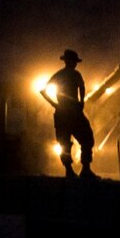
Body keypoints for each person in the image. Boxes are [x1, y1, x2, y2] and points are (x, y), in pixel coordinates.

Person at [41, 49, 98, 179]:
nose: (75, 64)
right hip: (73, 113)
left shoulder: (59, 75)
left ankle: (71, 170)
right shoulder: (76, 75)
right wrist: (81, 102)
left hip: (62, 113)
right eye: (74, 61)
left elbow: (43, 91)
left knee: (65, 143)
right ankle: (84, 169)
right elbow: (82, 88)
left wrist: (55, 104)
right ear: (70, 61)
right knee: (86, 138)